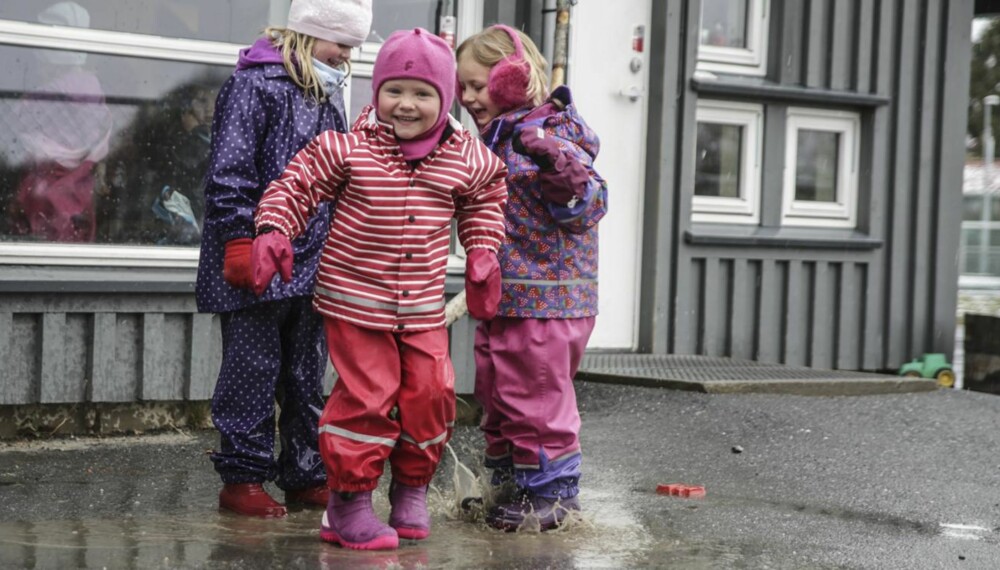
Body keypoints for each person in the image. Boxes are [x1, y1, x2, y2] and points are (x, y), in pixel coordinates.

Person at [251, 28, 508, 550]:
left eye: (421, 93)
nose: (405, 105)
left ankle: (410, 489)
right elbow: (296, 184)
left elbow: (486, 200)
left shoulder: (467, 157)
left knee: (433, 394)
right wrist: (275, 228)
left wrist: (482, 252)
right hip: (354, 298)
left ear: (445, 97)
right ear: (376, 92)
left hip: (420, 305)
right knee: (369, 396)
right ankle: (347, 504)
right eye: (394, 90)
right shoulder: (348, 149)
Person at [194, 0, 372, 519]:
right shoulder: (254, 86)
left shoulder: (327, 93)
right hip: (254, 256)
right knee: (252, 369)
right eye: (338, 43)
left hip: (313, 259)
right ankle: (243, 477)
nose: (343, 57)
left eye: (351, 49)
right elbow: (229, 170)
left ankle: (305, 472)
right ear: (305, 33)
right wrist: (237, 240)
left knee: (303, 371)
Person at [456, 24, 608, 531]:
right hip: (507, 296)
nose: (468, 96)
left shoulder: (556, 131)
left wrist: (551, 157)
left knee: (537, 397)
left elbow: (588, 204)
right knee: (498, 395)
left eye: (478, 84)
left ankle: (554, 498)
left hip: (550, 299)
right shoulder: (493, 138)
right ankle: (509, 484)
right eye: (463, 86)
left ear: (512, 76)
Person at [7, 1, 112, 243]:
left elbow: (16, 127)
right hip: (80, 188)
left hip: (43, 192)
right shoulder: (93, 90)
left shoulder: (40, 100)